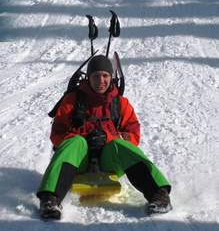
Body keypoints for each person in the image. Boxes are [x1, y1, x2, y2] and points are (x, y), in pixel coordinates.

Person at [37, 55, 172, 219]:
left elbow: (133, 134)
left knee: (120, 144)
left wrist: (108, 137)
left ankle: (159, 194)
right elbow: (57, 133)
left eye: (105, 75)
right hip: (78, 161)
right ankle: (50, 199)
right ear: (89, 77)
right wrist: (82, 137)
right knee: (75, 141)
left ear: (111, 77)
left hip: (109, 162)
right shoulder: (72, 100)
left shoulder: (121, 103)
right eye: (95, 76)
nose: (101, 80)